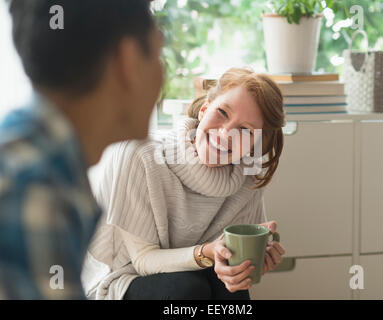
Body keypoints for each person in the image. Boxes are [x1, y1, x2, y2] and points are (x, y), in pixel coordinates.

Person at [0, 0, 163, 299]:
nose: (162, 75)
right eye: (158, 53)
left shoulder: (31, 158)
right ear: (127, 60)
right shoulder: (36, 190)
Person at [83, 67, 287, 300]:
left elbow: (229, 263)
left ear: (255, 144)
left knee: (228, 289)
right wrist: (207, 253)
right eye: (222, 112)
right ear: (204, 109)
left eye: (245, 130)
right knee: (187, 288)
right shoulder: (139, 155)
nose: (225, 134)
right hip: (120, 279)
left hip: (195, 276)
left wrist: (249, 265)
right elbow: (142, 260)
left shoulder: (248, 178)